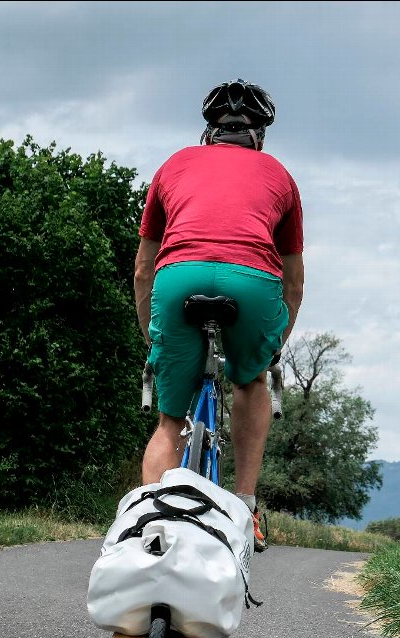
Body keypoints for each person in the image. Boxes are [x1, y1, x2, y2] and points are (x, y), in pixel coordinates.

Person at [133, 79, 304, 552]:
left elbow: (144, 267)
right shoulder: (280, 177)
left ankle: (147, 527)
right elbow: (293, 283)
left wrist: (153, 333)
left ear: (209, 132)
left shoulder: (173, 165)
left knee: (169, 421)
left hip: (177, 279)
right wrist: (273, 345)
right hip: (252, 283)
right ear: (259, 135)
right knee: (250, 383)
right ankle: (246, 506)